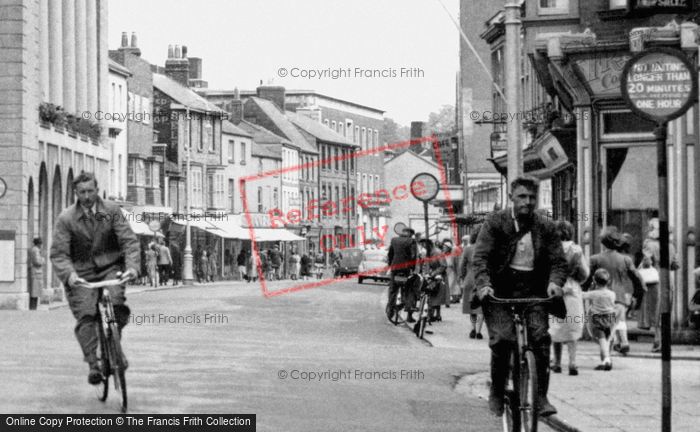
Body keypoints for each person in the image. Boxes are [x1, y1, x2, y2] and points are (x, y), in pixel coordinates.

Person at [472, 175, 567, 417]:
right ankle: (497, 389)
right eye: (522, 196)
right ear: (511, 197)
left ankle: (541, 396)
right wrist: (484, 285)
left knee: (540, 339)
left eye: (532, 197)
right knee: (503, 340)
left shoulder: (546, 226)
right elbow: (481, 257)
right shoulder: (495, 223)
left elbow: (558, 261)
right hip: (499, 290)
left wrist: (555, 283)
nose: (527, 201)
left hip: (535, 291)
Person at [50, 172, 139, 385]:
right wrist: (69, 275)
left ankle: (114, 348)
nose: (87, 196)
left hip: (110, 269)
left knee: (117, 306)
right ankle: (93, 364)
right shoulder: (66, 218)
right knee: (86, 315)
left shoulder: (111, 210)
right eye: (82, 192)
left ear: (97, 190)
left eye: (90, 191)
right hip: (82, 275)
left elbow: (129, 241)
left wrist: (133, 267)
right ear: (76, 193)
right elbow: (59, 254)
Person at [586, 227, 643, 357]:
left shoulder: (595, 259)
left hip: (602, 295)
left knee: (605, 324)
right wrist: (637, 296)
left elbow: (587, 278)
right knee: (619, 319)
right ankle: (624, 342)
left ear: (602, 242)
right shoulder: (625, 259)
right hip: (620, 295)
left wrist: (583, 290)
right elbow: (637, 279)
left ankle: (608, 352)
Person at [549, 220, 589, 376]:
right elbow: (585, 273)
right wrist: (577, 281)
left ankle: (557, 363)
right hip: (572, 289)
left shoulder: (551, 248)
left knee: (556, 327)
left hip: (555, 288)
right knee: (572, 327)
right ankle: (572, 363)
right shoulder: (576, 250)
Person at [641, 218, 678, 353]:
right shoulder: (671, 245)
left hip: (656, 278)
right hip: (669, 278)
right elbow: (675, 264)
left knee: (657, 311)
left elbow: (646, 263)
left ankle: (658, 342)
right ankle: (665, 342)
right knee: (667, 310)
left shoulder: (649, 244)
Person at [582, 268, 617, 371]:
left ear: (594, 280)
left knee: (602, 341)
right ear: (609, 281)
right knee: (607, 340)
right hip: (610, 319)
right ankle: (607, 359)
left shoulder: (595, 293)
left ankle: (606, 360)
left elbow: (583, 295)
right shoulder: (612, 294)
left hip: (597, 319)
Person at [387, 227, 418, 322]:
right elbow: (413, 256)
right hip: (406, 269)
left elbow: (390, 254)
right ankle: (409, 314)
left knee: (393, 290)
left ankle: (390, 309)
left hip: (395, 268)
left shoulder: (394, 240)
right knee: (409, 290)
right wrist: (412, 268)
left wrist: (391, 265)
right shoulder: (411, 241)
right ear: (409, 233)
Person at [459, 228, 484, 339]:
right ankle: (479, 331)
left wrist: (462, 278)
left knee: (471, 307)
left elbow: (462, 266)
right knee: (481, 308)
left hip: (469, 279)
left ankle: (472, 329)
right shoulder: (487, 248)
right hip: (483, 280)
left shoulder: (468, 249)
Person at [426, 239, 449, 322]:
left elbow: (443, 265)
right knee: (433, 295)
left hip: (439, 276)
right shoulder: (428, 253)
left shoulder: (438, 252)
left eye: (425, 246)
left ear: (429, 245)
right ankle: (437, 315)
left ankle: (433, 315)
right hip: (432, 276)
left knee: (436, 295)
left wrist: (434, 273)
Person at [442, 239, 460, 304]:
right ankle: (449, 298)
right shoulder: (443, 254)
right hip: (446, 271)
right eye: (443, 247)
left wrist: (457, 272)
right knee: (448, 285)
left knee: (452, 284)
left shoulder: (453, 255)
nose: (444, 248)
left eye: (445, 247)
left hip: (452, 271)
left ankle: (454, 298)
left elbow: (455, 264)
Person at [29, 237, 45, 310]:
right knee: (34, 292)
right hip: (36, 273)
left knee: (35, 292)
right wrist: (43, 260)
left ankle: (34, 307)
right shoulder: (35, 250)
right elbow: (37, 262)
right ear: (39, 244)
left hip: (36, 273)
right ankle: (33, 308)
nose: (41, 245)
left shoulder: (36, 250)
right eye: (41, 243)